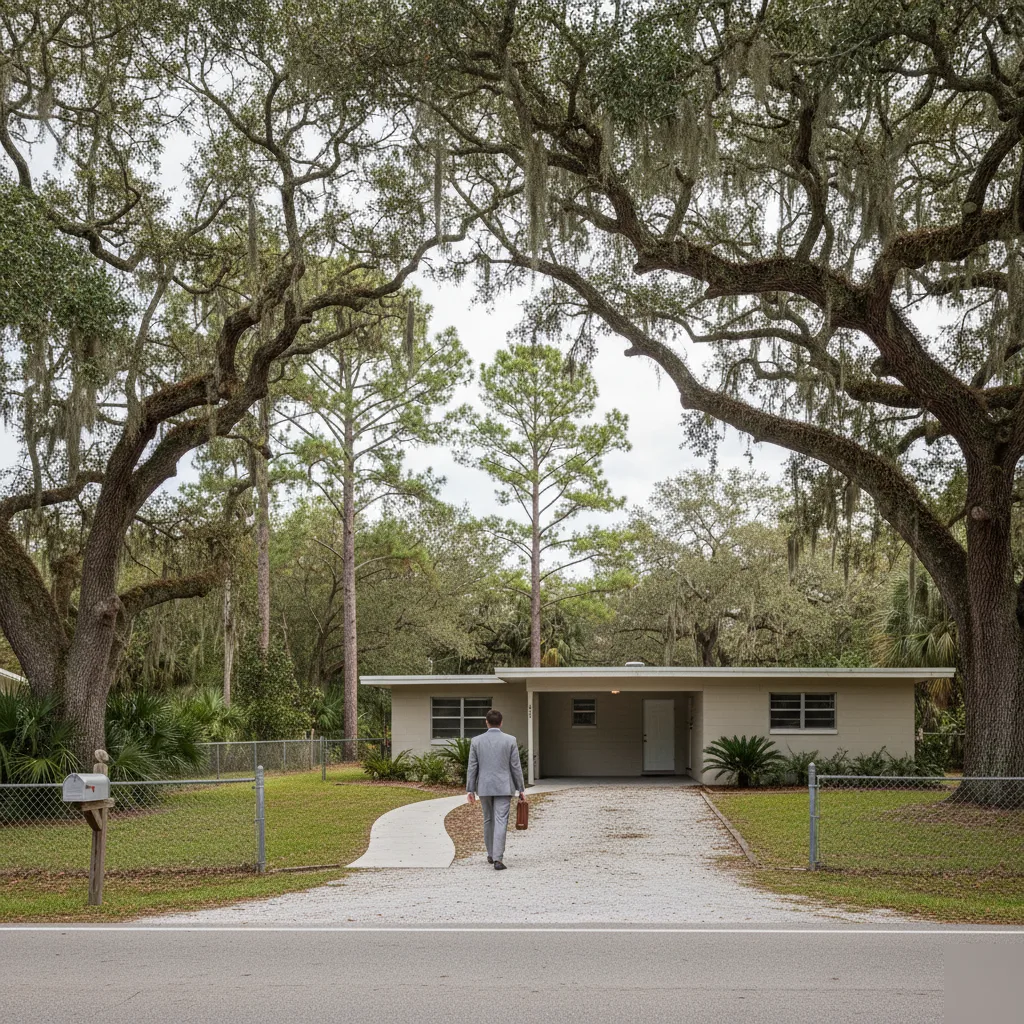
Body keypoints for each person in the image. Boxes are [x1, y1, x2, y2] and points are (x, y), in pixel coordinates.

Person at [465, 708, 526, 870]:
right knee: (501, 820)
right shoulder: (510, 740)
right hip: (504, 786)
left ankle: (491, 854)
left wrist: (470, 789)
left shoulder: (476, 741)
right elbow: (515, 767)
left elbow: (472, 767)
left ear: (487, 722)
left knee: (488, 820)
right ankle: (498, 858)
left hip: (484, 786)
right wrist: (521, 788)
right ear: (501, 722)